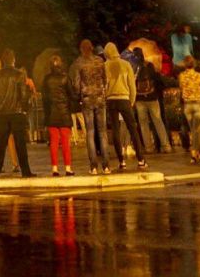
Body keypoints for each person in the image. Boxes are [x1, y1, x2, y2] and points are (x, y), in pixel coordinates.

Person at [0, 49, 33, 178]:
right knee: (20, 144)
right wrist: (25, 108)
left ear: (3, 61)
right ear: (14, 60)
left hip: (2, 114)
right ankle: (26, 171)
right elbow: (23, 95)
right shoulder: (19, 74)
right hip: (17, 113)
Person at [103, 42, 147, 172]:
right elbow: (132, 85)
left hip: (111, 100)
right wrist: (131, 100)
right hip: (124, 99)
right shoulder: (126, 64)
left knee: (115, 130)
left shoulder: (105, 66)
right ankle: (141, 159)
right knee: (132, 129)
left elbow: (104, 85)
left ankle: (121, 161)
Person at [70, 40, 108, 174]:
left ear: (81, 49)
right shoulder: (100, 61)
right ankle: (106, 166)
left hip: (86, 100)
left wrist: (78, 96)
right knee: (102, 132)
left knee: (90, 132)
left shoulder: (78, 63)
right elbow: (105, 80)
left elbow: (76, 84)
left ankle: (93, 166)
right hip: (100, 98)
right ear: (92, 48)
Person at [41, 54, 76, 177]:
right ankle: (68, 168)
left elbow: (44, 99)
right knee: (65, 141)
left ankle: (54, 168)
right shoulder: (65, 78)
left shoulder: (46, 79)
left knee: (54, 142)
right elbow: (72, 95)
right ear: (60, 64)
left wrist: (46, 115)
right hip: (64, 113)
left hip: (51, 114)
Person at [133, 49, 170, 155]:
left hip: (139, 99)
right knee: (158, 122)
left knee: (143, 124)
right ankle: (166, 146)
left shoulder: (134, 67)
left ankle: (149, 148)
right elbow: (156, 79)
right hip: (152, 97)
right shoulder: (149, 65)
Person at [176, 56, 200, 163]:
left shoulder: (181, 76)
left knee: (193, 130)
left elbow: (181, 88)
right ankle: (199, 154)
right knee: (198, 130)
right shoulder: (199, 75)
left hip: (187, 105)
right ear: (194, 64)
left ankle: (194, 153)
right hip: (198, 103)